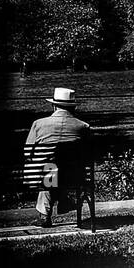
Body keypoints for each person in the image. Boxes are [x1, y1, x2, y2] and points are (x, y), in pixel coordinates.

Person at [24, 87, 92, 228]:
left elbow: (27, 153)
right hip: (72, 176)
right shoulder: (83, 126)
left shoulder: (38, 124)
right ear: (72, 108)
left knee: (49, 171)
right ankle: (64, 200)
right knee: (58, 170)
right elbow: (88, 155)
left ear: (54, 106)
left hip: (46, 175)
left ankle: (45, 214)